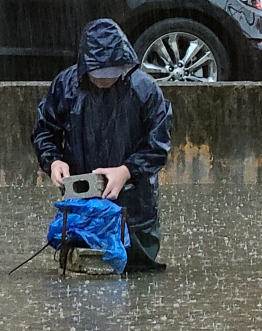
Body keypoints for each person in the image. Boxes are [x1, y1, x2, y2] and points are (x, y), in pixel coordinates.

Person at [32, 19, 173, 272]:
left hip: (135, 209)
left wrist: (127, 170)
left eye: (112, 72)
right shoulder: (66, 86)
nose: (105, 79)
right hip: (82, 204)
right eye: (98, 74)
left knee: (135, 275)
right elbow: (45, 130)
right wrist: (53, 160)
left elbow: (158, 145)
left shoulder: (145, 91)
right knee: (86, 271)